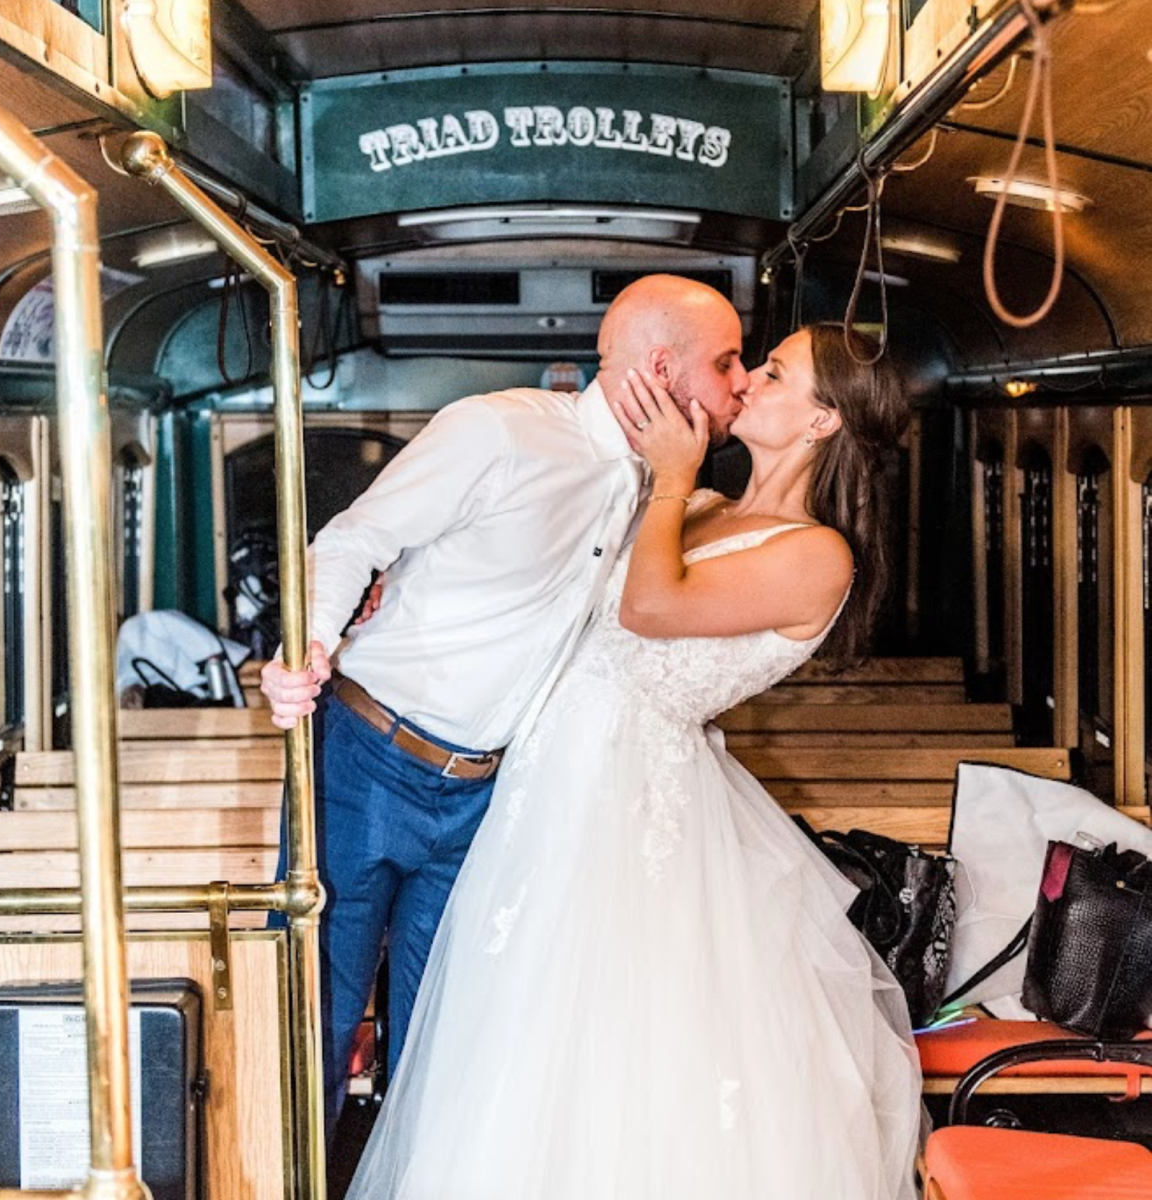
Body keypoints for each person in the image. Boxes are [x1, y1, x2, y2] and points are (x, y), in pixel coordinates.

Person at [346, 322, 922, 1200]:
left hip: (625, 793)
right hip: (544, 774)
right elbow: (567, 592)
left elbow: (651, 607)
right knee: (507, 1028)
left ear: (822, 422)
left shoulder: (817, 555)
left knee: (610, 1037)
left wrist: (672, 476)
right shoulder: (697, 511)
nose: (749, 383)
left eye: (773, 373)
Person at [260, 274, 751, 1131]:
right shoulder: (499, 432)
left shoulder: (664, 491)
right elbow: (353, 538)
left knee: (443, 1043)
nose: (740, 383)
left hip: (491, 797)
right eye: (728, 362)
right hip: (366, 762)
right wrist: (309, 643)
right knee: (313, 1024)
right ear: (664, 367)